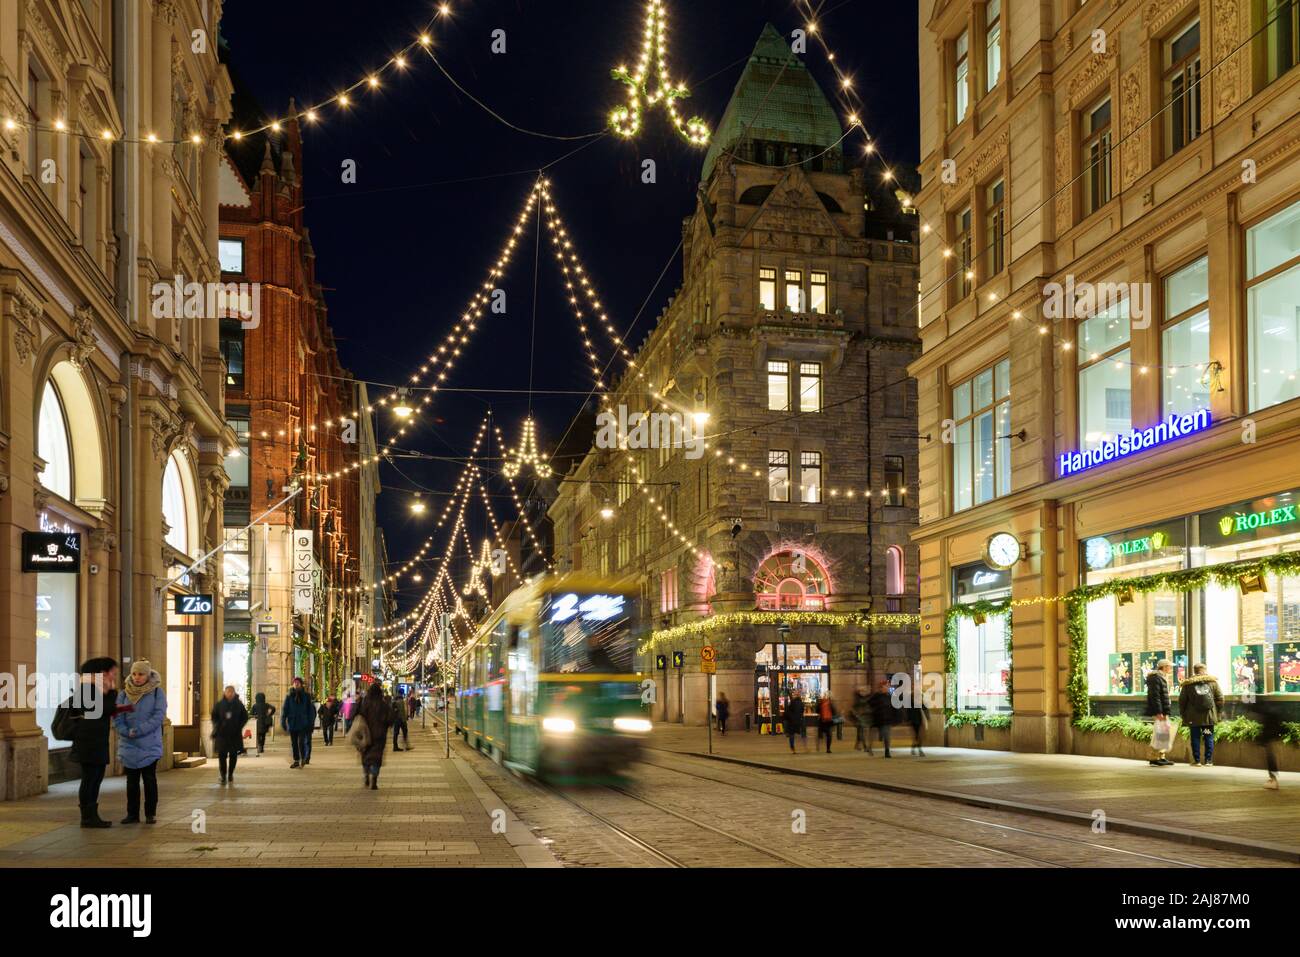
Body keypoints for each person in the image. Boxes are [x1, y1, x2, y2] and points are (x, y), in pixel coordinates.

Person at [55, 657, 120, 828]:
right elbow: (103, 709)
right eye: (112, 671)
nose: (114, 675)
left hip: (96, 741)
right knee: (90, 779)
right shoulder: (87, 689)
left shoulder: (98, 689)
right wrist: (112, 693)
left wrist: (110, 691)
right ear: (103, 672)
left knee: (95, 778)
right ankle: (88, 817)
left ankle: (91, 815)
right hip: (88, 743)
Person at [114, 660, 168, 825]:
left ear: (148, 675)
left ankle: (150, 813)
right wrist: (125, 731)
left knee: (149, 779)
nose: (137, 678)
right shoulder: (124, 694)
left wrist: (140, 730)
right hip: (129, 743)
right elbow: (118, 717)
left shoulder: (157, 693)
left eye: (141, 674)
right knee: (131, 781)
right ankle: (132, 814)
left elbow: (158, 716)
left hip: (149, 743)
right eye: (135, 674)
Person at [1178, 664, 1223, 767]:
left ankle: (1197, 761)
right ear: (1205, 670)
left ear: (1195, 671)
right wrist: (1218, 712)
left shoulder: (1188, 684)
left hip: (1194, 719)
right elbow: (1220, 698)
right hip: (1208, 718)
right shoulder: (1212, 682)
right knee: (1208, 736)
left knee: (1195, 738)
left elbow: (1182, 701)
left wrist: (1183, 714)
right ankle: (1208, 761)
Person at [356, 681, 392, 789]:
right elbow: (390, 719)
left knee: (365, 756)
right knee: (376, 758)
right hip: (380, 736)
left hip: (366, 735)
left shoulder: (365, 703)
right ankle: (374, 780)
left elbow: (359, 716)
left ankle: (366, 774)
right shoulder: (383, 704)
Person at [211, 686, 249, 785]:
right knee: (222, 755)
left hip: (234, 734)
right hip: (222, 734)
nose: (229, 694)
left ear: (233, 693)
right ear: (225, 692)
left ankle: (230, 774)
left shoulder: (239, 704)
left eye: (231, 692)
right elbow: (214, 716)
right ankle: (223, 775)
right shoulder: (219, 704)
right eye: (228, 692)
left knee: (233, 755)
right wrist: (217, 725)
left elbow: (245, 716)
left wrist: (239, 726)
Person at [1247, 698, 1285, 790]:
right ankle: (1273, 779)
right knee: (1270, 754)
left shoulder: (1263, 712)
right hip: (1272, 732)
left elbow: (1268, 727)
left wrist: (1261, 739)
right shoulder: (1266, 709)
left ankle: (1273, 780)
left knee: (1270, 755)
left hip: (1270, 733)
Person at [1145, 658, 1174, 767]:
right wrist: (1159, 711)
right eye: (1169, 666)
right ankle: (1156, 757)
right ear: (1164, 667)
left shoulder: (1161, 677)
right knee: (1161, 733)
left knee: (1162, 733)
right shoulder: (1156, 678)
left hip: (1163, 710)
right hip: (1160, 711)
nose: (1170, 668)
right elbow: (1155, 696)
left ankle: (1159, 756)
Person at [281, 677, 315, 768]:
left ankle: (303, 757)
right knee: (294, 743)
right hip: (292, 723)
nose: (296, 684)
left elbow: (310, 711)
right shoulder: (289, 697)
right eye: (295, 683)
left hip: (303, 723)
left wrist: (311, 723)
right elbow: (285, 710)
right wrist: (283, 721)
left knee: (301, 742)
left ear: (301, 684)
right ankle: (296, 760)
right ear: (293, 684)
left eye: (298, 683)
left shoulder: (306, 696)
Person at [867, 678, 895, 757]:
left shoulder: (889, 696)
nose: (888, 687)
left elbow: (893, 707)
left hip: (886, 719)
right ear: (881, 687)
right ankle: (870, 747)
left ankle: (887, 751)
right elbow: (869, 703)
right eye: (886, 686)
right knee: (873, 734)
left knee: (887, 735)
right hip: (876, 718)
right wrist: (875, 709)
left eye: (888, 686)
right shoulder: (876, 695)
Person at [783, 689, 806, 753]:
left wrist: (786, 718)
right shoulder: (801, 703)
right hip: (798, 721)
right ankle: (804, 746)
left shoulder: (792, 702)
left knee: (791, 735)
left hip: (792, 721)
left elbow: (787, 711)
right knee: (799, 733)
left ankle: (792, 748)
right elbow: (802, 712)